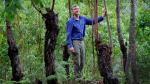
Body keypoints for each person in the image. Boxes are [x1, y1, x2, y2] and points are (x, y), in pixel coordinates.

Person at [66, 5, 108, 81]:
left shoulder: (83, 19)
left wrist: (103, 16)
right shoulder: (70, 21)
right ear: (72, 11)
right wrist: (70, 46)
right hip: (74, 41)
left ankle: (79, 75)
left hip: (81, 41)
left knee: (82, 59)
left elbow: (93, 21)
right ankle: (78, 78)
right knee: (77, 59)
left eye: (78, 9)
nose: (77, 10)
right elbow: (68, 34)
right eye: (75, 9)